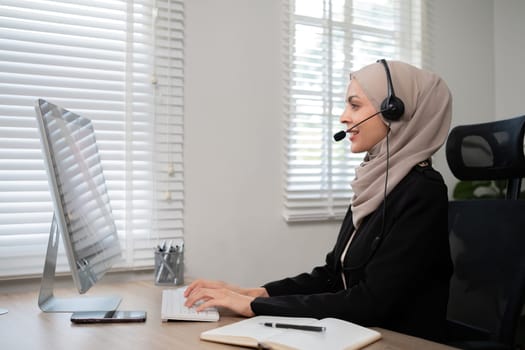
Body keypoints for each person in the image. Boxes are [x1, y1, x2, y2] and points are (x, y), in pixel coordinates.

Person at [184, 60, 453, 342]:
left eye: (355, 105)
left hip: (400, 343)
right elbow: (331, 276)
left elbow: (371, 302)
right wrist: (258, 293)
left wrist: (255, 308)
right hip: (361, 335)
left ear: (394, 111)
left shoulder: (423, 191)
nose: (344, 117)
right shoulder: (375, 182)